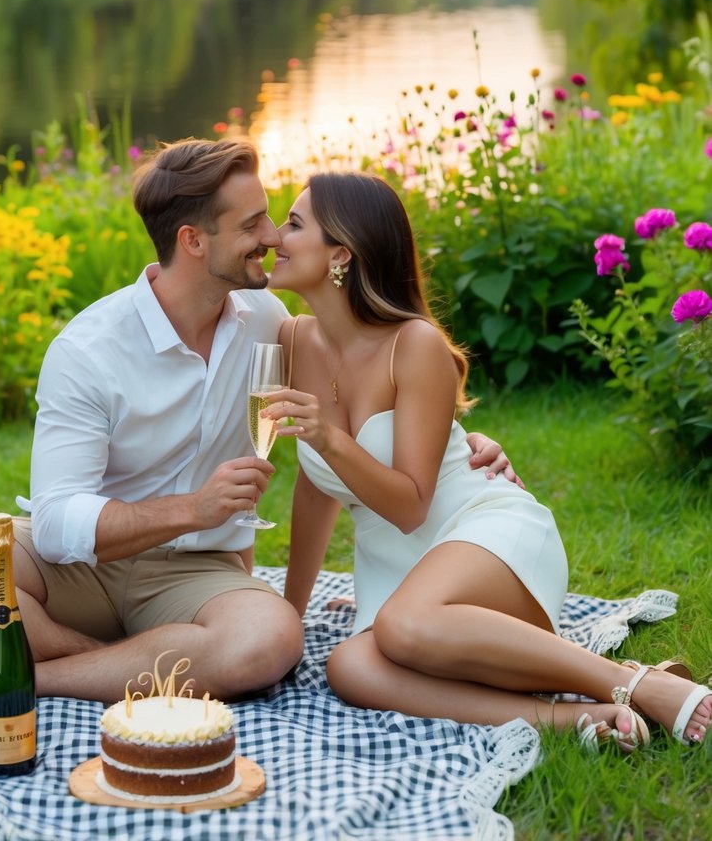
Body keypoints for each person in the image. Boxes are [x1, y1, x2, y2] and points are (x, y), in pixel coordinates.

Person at [0, 140, 512, 701]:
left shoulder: (269, 324)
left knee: (267, 641)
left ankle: (19, 672)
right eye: (253, 223)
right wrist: (194, 508)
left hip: (197, 572)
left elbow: (374, 375)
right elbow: (52, 526)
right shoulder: (89, 350)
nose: (271, 236)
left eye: (276, 217)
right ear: (193, 241)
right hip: (83, 567)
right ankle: (104, 663)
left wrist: (465, 446)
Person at [262, 171, 711, 749]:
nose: (276, 236)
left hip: (486, 538)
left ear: (341, 255)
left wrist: (330, 439)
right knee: (349, 666)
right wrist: (290, 619)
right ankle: (579, 718)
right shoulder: (292, 340)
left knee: (403, 625)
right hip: (402, 579)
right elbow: (316, 490)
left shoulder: (413, 344)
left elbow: (411, 506)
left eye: (294, 225)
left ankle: (637, 684)